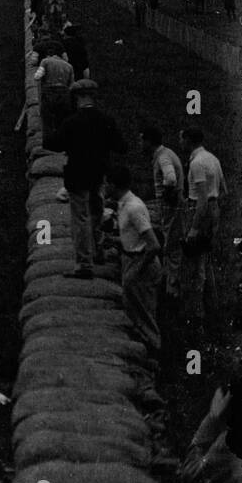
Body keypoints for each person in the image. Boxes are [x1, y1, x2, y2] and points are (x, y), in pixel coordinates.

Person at [60, 79, 127, 280]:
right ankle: (98, 251)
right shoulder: (106, 120)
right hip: (98, 174)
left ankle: (83, 263)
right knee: (97, 212)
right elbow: (121, 147)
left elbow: (52, 142)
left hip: (77, 175)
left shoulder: (71, 121)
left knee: (80, 218)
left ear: (78, 97)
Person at [105, 164, 164, 355]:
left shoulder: (133, 208)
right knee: (134, 311)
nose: (105, 188)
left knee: (145, 314)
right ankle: (140, 353)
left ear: (114, 185)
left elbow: (154, 245)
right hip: (132, 259)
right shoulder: (123, 205)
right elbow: (131, 238)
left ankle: (154, 354)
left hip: (143, 265)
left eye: (107, 184)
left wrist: (135, 271)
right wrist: (112, 241)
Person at [180, 126, 225, 328]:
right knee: (205, 261)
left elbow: (202, 199)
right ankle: (211, 308)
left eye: (182, 139)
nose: (180, 143)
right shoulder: (212, 158)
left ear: (189, 140)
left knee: (195, 264)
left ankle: (195, 313)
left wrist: (195, 227)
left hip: (200, 210)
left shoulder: (197, 163)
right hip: (213, 209)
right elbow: (223, 190)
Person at [141, 125, 185, 300]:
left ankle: (172, 289)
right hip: (170, 205)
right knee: (169, 242)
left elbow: (171, 178)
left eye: (142, 139)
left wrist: (167, 198)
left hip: (171, 206)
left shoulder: (164, 157)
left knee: (172, 244)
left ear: (149, 141)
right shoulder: (164, 154)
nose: (140, 143)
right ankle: (169, 283)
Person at [34, 41, 74, 150]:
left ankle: (48, 146)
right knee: (62, 120)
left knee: (47, 121)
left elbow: (37, 76)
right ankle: (63, 145)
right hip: (64, 94)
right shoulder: (69, 66)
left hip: (49, 93)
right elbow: (72, 85)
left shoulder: (45, 61)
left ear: (48, 54)